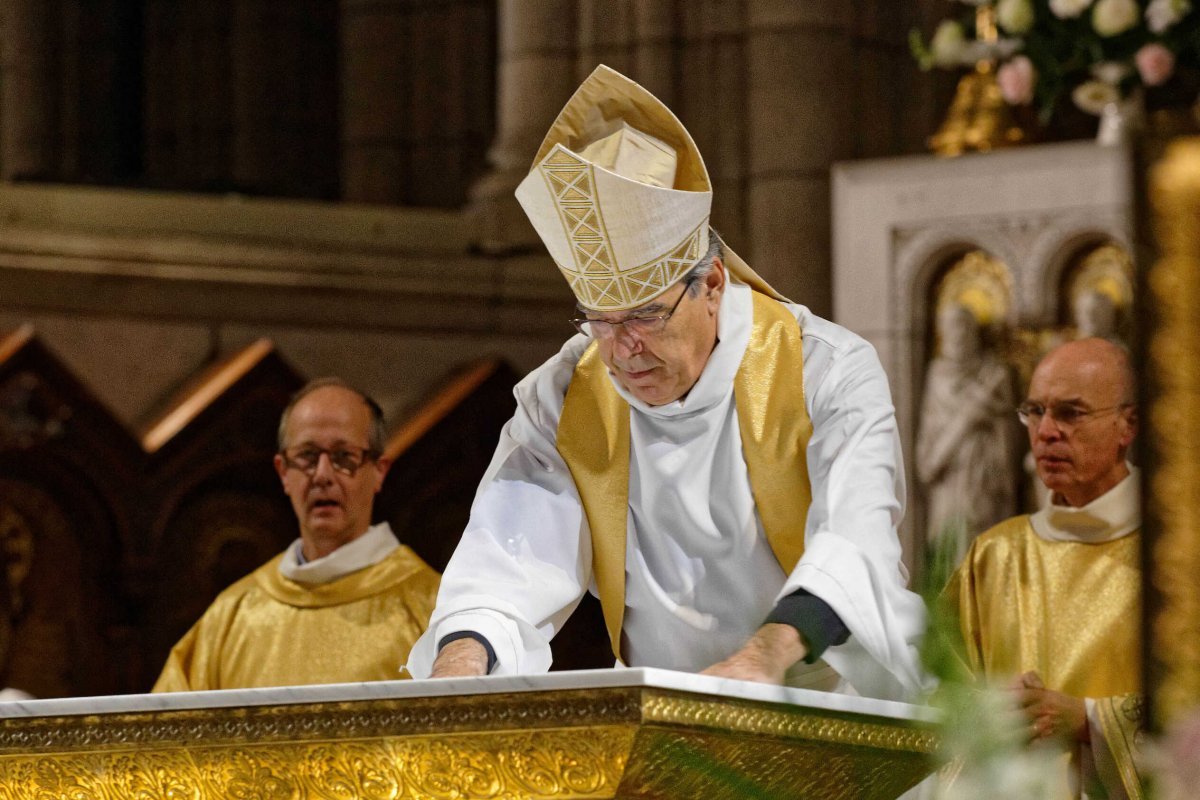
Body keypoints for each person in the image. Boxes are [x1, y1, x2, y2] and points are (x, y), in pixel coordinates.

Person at [405, 65, 928, 701]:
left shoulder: (823, 368)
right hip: (676, 717)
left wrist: (760, 663)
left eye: (647, 315)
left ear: (711, 285)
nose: (624, 349)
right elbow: (506, 561)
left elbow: (857, 540)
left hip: (834, 702)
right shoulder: (565, 398)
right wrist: (460, 663)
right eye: (601, 321)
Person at [947, 338, 1142, 799]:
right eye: (1034, 412)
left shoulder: (1174, 561)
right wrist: (989, 708)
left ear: (1127, 424)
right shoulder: (993, 555)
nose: (1046, 431)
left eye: (1070, 413)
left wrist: (1089, 720)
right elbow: (934, 694)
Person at [153, 378, 439, 691]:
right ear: (283, 472)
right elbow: (167, 734)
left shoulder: (434, 608)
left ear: (379, 471)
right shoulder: (233, 616)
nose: (322, 475)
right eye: (307, 456)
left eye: (344, 457)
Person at [916, 302, 1019, 560]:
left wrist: (987, 417)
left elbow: (1010, 429)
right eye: (951, 328)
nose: (958, 334)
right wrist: (963, 421)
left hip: (984, 482)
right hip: (948, 487)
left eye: (963, 327)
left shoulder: (994, 374)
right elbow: (929, 449)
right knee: (949, 557)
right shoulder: (937, 375)